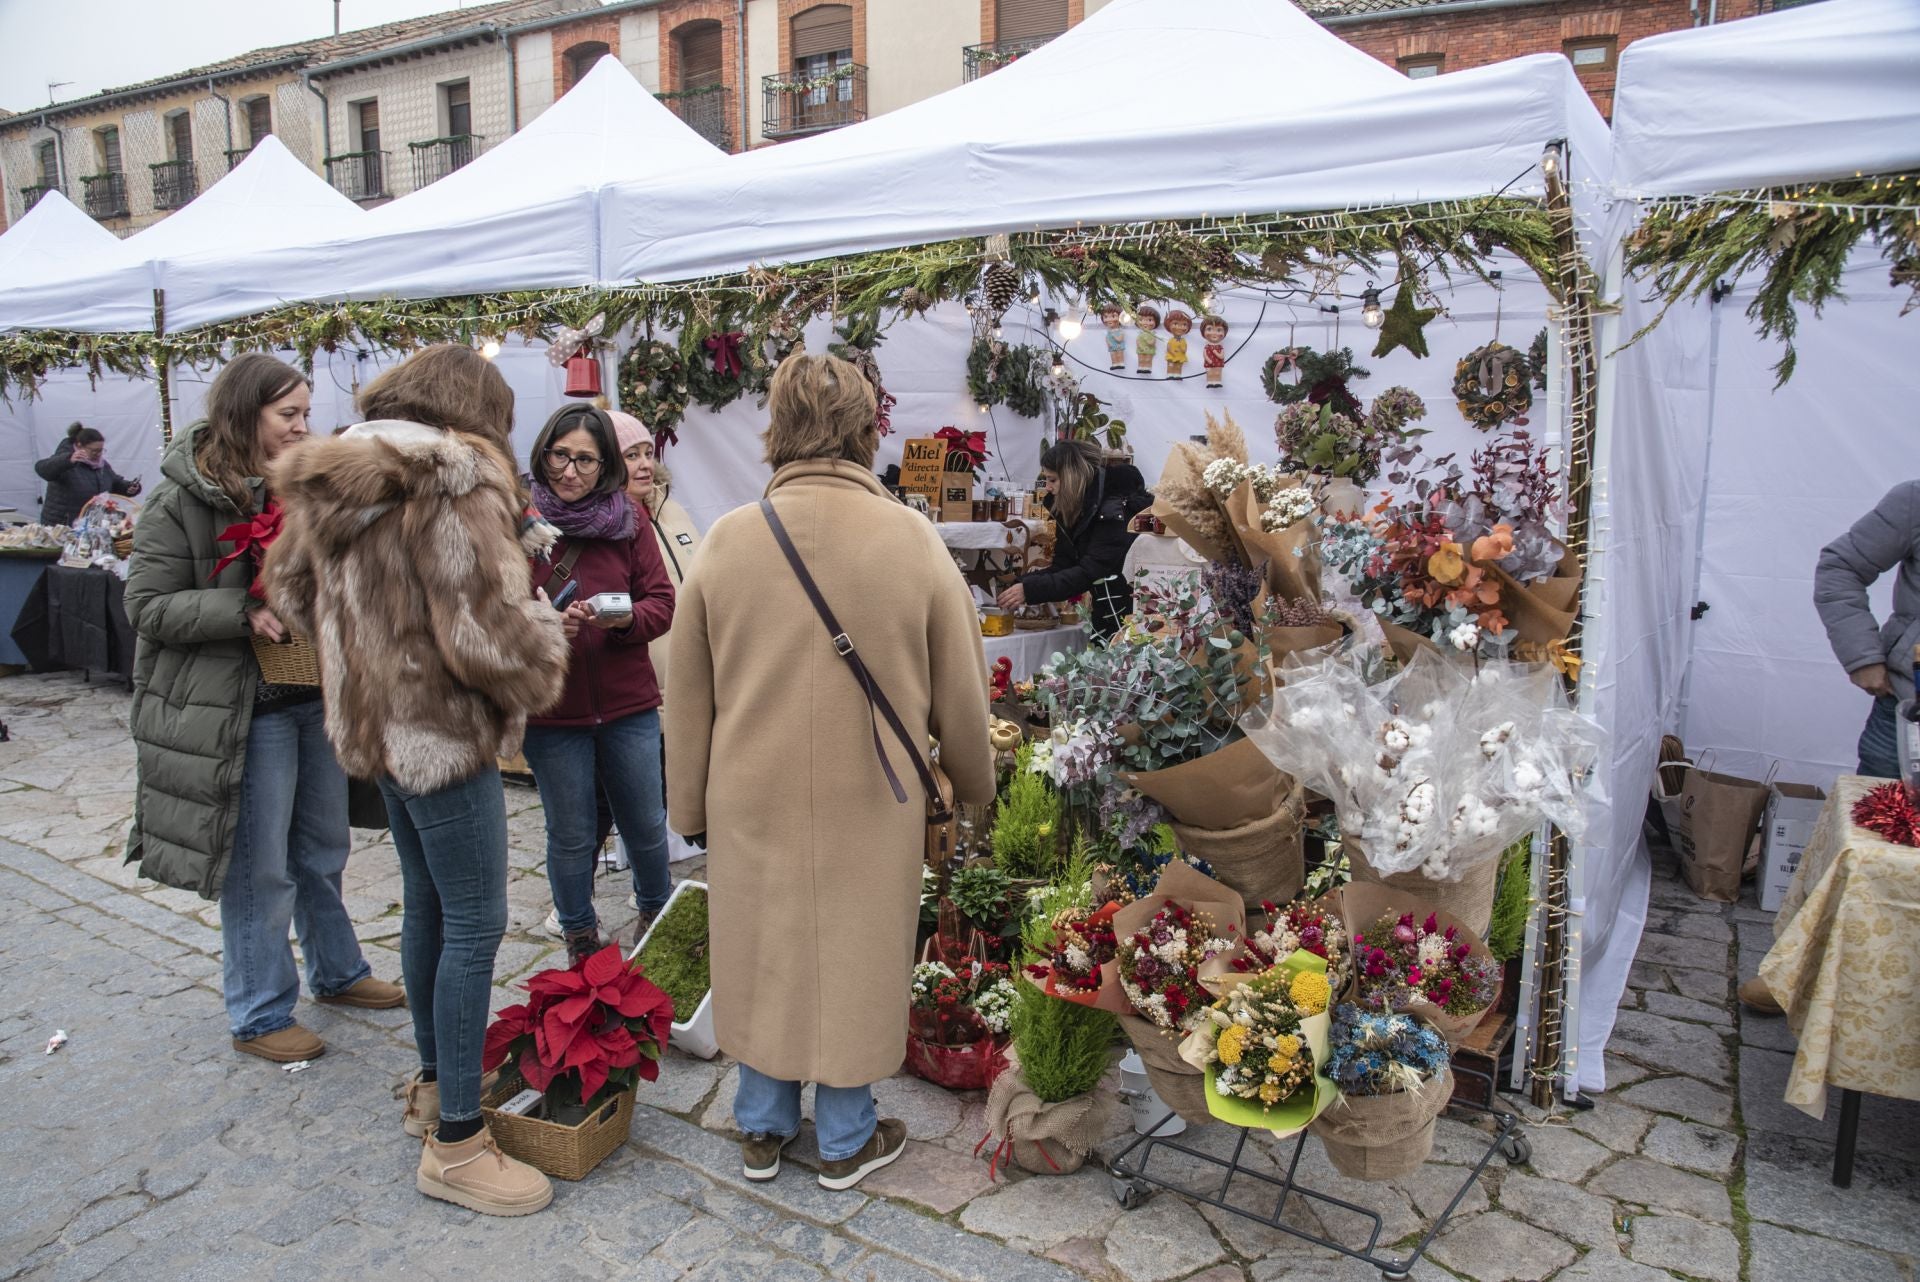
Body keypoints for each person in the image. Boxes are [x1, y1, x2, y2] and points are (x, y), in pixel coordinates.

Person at [666, 353, 995, 1191]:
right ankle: (847, 1134)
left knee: (764, 943)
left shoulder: (728, 541)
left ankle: (763, 1125)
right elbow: (961, 686)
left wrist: (688, 805)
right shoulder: (913, 540)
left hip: (747, 789)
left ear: (774, 425)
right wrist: (972, 784)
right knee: (857, 950)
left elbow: (688, 693)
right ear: (867, 426)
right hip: (872, 790)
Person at [265, 344, 568, 1217]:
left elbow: (288, 587)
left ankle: (437, 1091)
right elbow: (485, 635)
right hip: (439, 731)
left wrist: (369, 645)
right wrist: (546, 646)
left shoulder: (339, 470)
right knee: (476, 920)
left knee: (430, 905)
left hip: (375, 731)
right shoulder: (450, 476)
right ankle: (460, 1144)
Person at [125, 353, 401, 1066]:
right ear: (245, 414)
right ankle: (258, 1010)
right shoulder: (181, 499)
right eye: (289, 415)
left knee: (323, 849)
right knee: (260, 867)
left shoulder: (302, 488)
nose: (302, 427)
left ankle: (337, 973)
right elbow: (147, 606)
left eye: (306, 414)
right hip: (240, 711)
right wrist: (241, 607)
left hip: (312, 695)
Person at [521, 404, 675, 963]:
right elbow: (490, 614)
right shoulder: (516, 523)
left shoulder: (629, 522)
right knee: (570, 833)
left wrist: (626, 619)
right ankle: (581, 940)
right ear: (542, 452)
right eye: (560, 455)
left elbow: (662, 602)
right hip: (551, 710)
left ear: (604, 464)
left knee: (645, 824)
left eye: (586, 460)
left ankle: (658, 919)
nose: (570, 471)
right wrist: (543, 626)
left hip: (628, 703)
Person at [997, 439, 1152, 640]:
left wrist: (1030, 589)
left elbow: (1091, 571)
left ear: (1072, 477)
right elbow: (1065, 563)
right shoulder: (1075, 509)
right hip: (1106, 609)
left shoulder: (1113, 508)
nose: (1048, 488)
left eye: (1053, 480)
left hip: (1130, 615)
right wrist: (1022, 584)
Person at [37, 422, 142, 526]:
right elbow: (42, 469)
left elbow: (114, 482)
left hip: (90, 524)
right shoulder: (66, 459)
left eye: (101, 450)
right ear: (79, 446)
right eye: (94, 451)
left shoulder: (101, 465)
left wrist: (128, 487)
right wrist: (67, 461)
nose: (98, 454)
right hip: (63, 525)